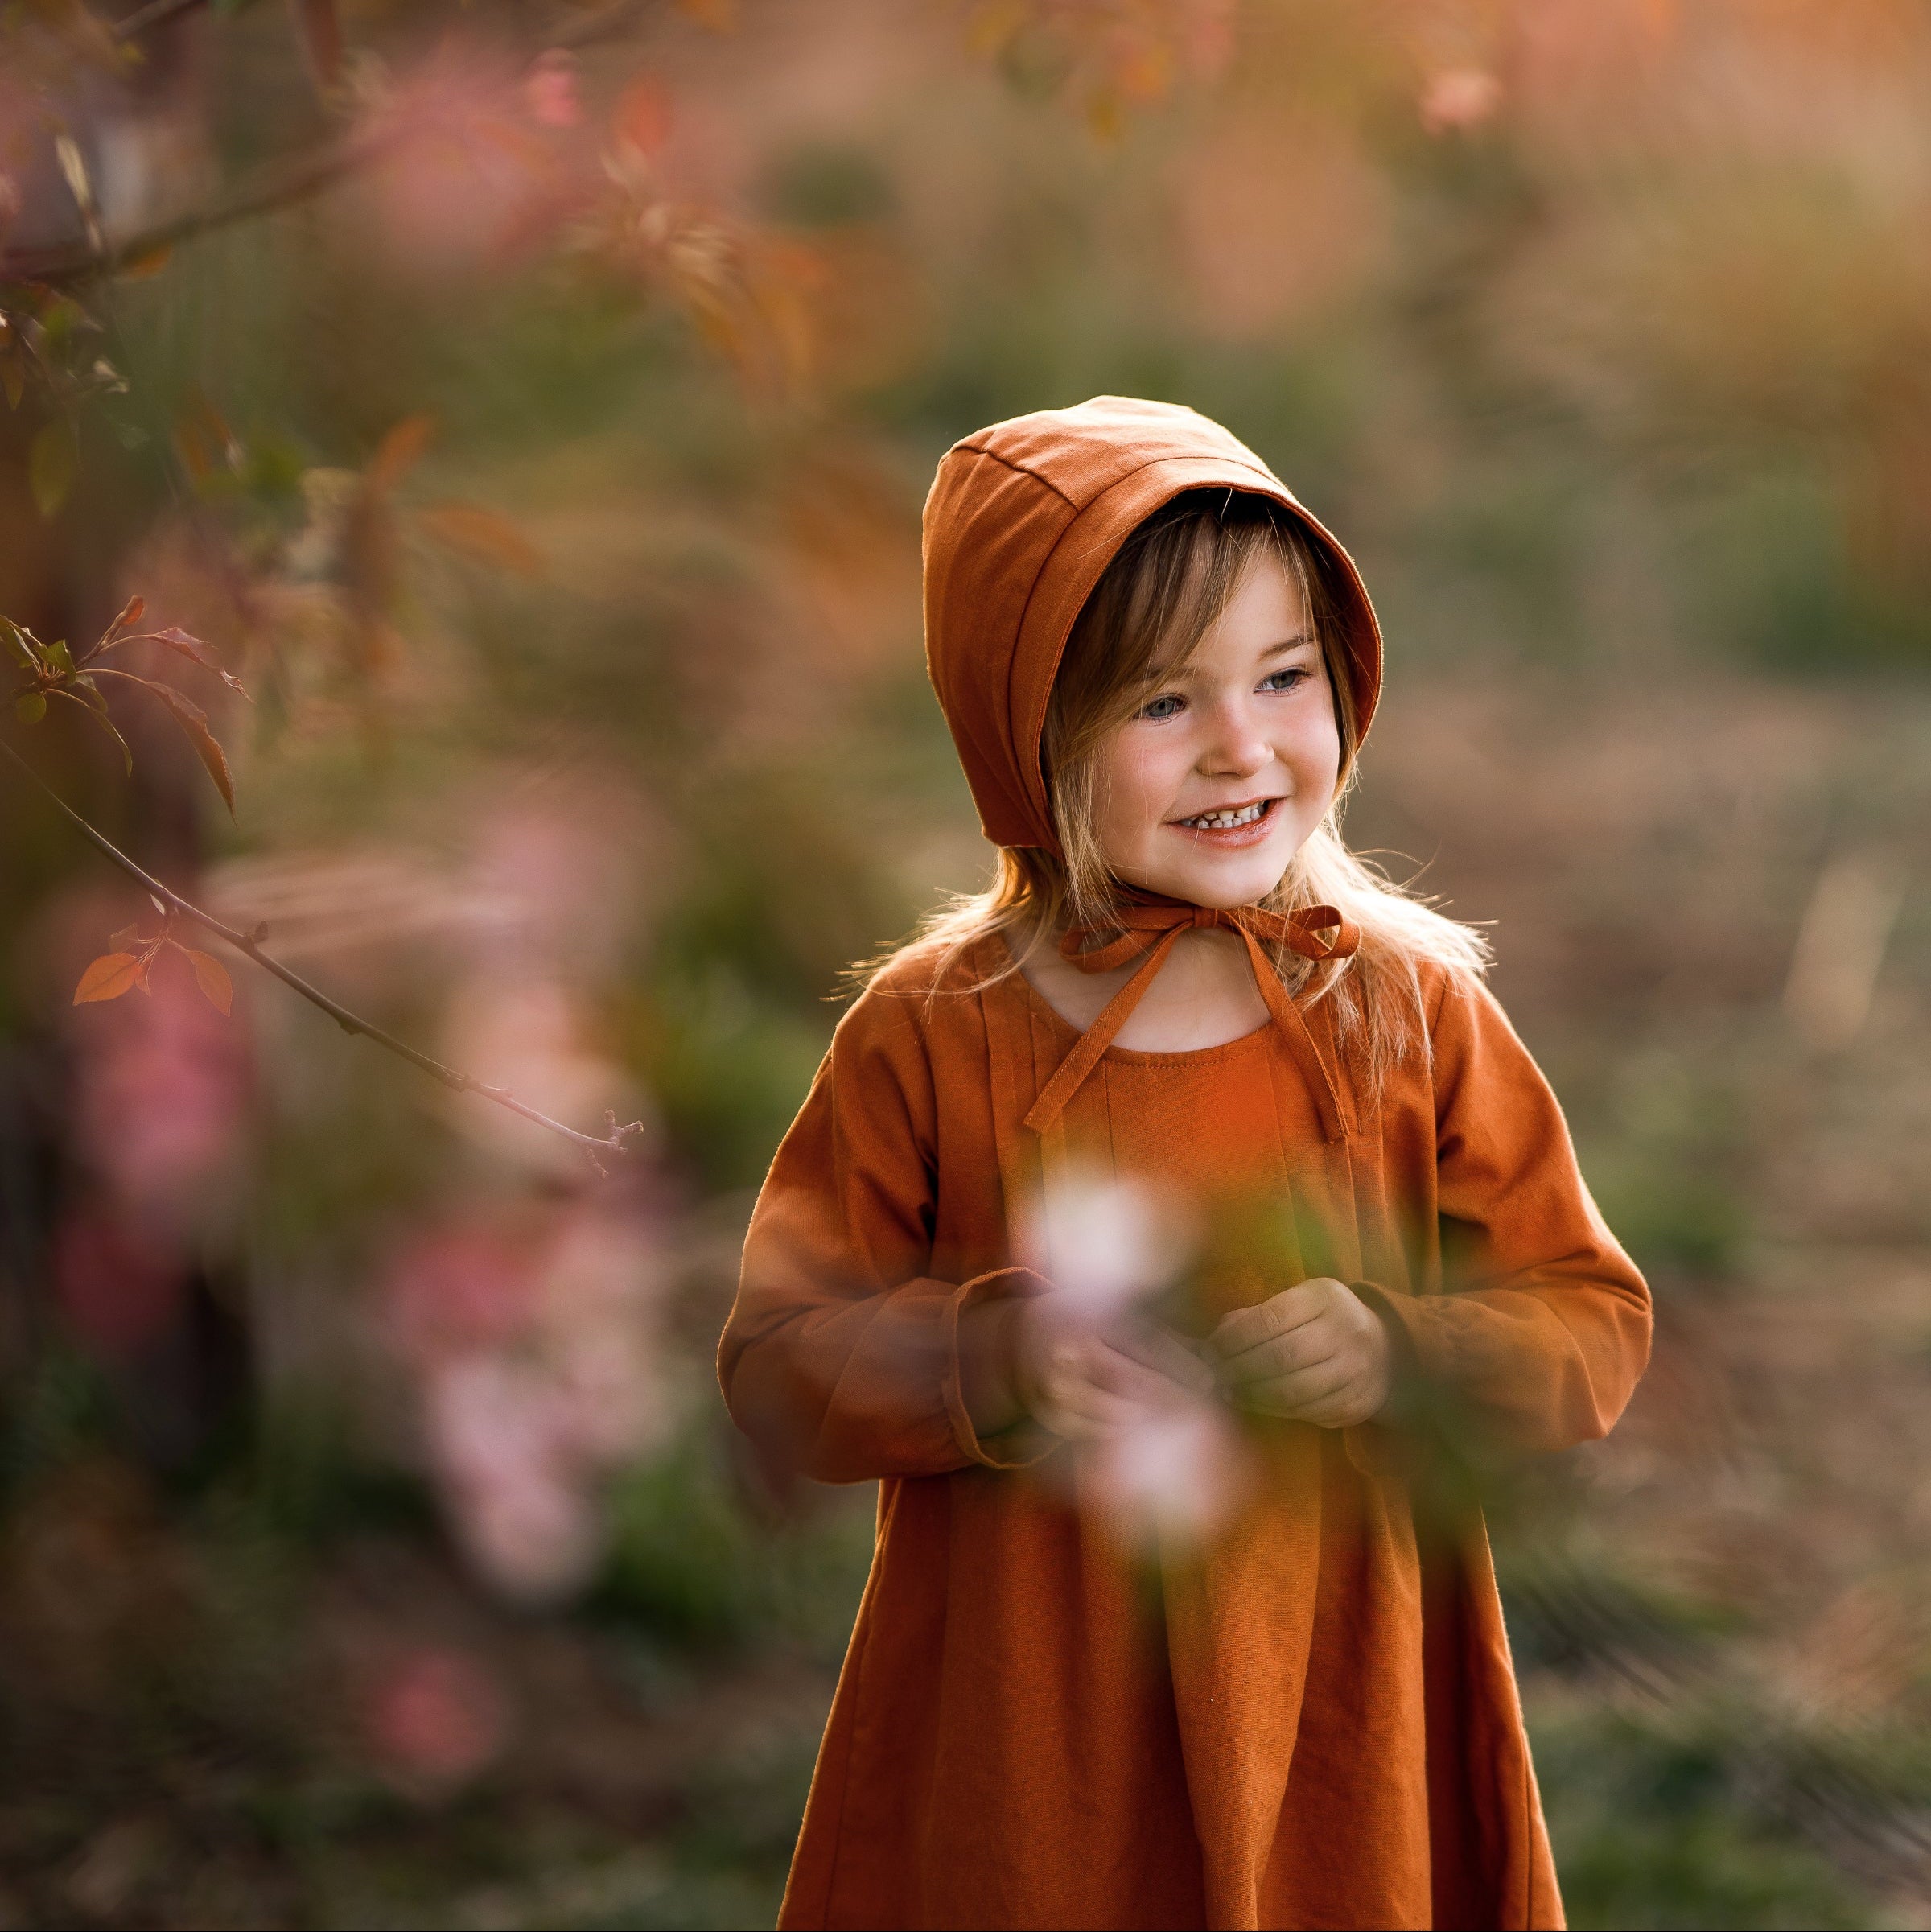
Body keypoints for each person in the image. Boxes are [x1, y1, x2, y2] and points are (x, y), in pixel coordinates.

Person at [718, 396, 1652, 1931]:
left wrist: (1399, 1351)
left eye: (1285, 675)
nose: (1241, 743)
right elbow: (776, 1363)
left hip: (1341, 1701)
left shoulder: (1402, 1012)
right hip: (1035, 1727)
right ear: (1023, 731)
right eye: (1162, 700)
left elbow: (1591, 1321)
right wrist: (992, 1357)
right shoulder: (934, 1033)